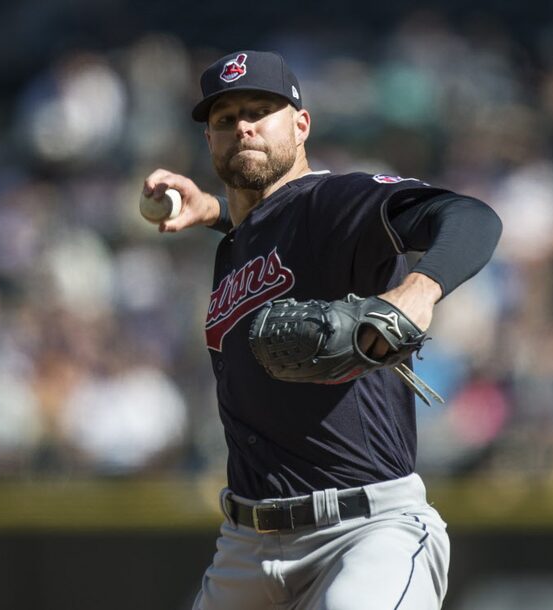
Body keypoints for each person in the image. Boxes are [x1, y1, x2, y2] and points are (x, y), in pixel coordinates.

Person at [143, 50, 502, 610]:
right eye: (225, 118)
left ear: (301, 124)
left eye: (261, 109)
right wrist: (215, 211)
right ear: (210, 141)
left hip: (362, 533)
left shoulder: (336, 201)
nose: (243, 125)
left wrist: (417, 291)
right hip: (244, 546)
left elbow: (470, 217)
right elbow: (267, 227)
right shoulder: (240, 241)